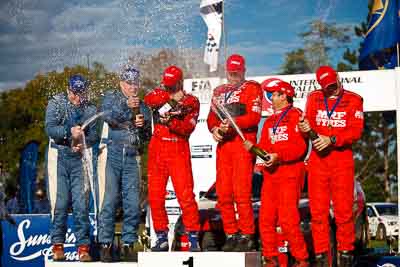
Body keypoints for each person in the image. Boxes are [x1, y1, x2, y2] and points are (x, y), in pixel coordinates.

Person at [298, 66, 364, 267]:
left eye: (333, 85)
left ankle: (346, 255)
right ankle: (321, 257)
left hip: (341, 159)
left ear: (338, 77)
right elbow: (307, 127)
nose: (331, 89)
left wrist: (332, 139)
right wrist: (304, 128)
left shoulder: (354, 99)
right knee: (318, 213)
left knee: (344, 212)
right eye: (327, 87)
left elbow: (356, 131)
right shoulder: (313, 98)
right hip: (318, 161)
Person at [245, 80, 309, 267]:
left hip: (290, 172)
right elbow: (265, 148)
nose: (271, 98)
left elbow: (300, 148)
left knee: (288, 219)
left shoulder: (297, 115)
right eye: (270, 94)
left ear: (284, 95)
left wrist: (278, 156)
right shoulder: (270, 121)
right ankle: (270, 259)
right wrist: (254, 149)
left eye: (273, 94)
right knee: (266, 219)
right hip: (271, 175)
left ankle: (301, 259)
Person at [206, 54, 262, 251]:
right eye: (230, 73)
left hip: (242, 144)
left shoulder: (253, 88)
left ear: (244, 71)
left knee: (241, 192)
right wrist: (215, 130)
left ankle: (247, 234)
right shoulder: (219, 91)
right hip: (224, 147)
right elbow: (210, 119)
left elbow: (254, 117)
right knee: (223, 193)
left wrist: (231, 123)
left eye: (237, 73)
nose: (233, 77)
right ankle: (231, 233)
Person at [97, 66, 151, 262]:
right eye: (129, 83)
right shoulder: (111, 98)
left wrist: (143, 126)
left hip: (132, 156)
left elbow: (147, 137)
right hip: (111, 155)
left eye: (135, 83)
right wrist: (127, 108)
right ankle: (105, 244)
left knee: (132, 204)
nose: (133, 87)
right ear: (121, 84)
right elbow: (107, 116)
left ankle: (128, 244)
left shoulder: (143, 106)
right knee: (109, 201)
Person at [144, 65, 201, 252]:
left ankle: (193, 236)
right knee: (155, 196)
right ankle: (161, 237)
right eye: (166, 85)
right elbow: (148, 98)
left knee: (185, 196)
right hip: (157, 150)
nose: (167, 88)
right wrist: (169, 98)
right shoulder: (160, 94)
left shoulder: (192, 101)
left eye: (171, 86)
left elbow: (187, 128)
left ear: (180, 82)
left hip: (178, 149)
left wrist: (172, 121)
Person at [45, 74, 98, 262]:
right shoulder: (56, 103)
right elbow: (50, 128)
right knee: (60, 204)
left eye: (81, 94)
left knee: (81, 205)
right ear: (68, 90)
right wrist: (69, 134)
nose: (77, 98)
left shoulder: (90, 108)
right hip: (58, 156)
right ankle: (57, 246)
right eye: (74, 94)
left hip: (79, 159)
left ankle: (83, 248)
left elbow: (94, 137)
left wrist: (82, 144)